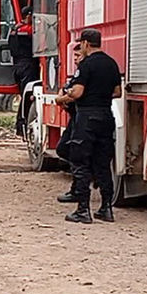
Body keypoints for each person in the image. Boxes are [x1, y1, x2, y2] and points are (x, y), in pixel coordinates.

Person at [54, 29, 121, 223]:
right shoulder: (111, 63)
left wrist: (62, 98)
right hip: (106, 116)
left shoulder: (86, 65)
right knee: (103, 164)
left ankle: (83, 210)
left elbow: (77, 93)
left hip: (87, 117)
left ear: (85, 43)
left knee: (81, 161)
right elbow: (117, 92)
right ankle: (106, 209)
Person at [55, 44, 84, 203]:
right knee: (64, 149)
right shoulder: (78, 73)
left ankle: (79, 192)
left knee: (75, 153)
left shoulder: (85, 70)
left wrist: (61, 99)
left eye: (78, 56)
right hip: (75, 118)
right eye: (74, 56)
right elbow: (68, 88)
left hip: (82, 119)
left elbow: (76, 94)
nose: (75, 59)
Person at [10, 6, 39, 136]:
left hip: (17, 66)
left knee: (24, 95)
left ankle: (21, 125)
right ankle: (22, 124)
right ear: (28, 15)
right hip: (28, 65)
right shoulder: (28, 30)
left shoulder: (15, 29)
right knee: (28, 97)